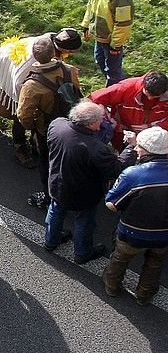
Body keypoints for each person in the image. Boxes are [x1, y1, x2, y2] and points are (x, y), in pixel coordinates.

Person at [0, 28, 83, 169]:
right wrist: (27, 102)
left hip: (46, 100)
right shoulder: (35, 58)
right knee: (21, 118)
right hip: (29, 96)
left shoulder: (50, 48)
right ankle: (20, 145)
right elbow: (19, 83)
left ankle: (35, 141)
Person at [45, 100, 122, 264]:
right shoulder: (96, 147)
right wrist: (130, 149)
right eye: (100, 119)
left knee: (56, 211)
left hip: (56, 183)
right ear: (93, 124)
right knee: (84, 221)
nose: (102, 121)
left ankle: (51, 241)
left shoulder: (57, 125)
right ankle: (82, 253)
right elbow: (115, 169)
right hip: (83, 193)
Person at [103, 126, 168, 305]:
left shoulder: (133, 174)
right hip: (163, 236)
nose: (136, 149)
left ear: (147, 151)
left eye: (138, 146)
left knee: (119, 259)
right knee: (155, 264)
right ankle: (144, 294)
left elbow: (112, 204)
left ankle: (112, 285)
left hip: (132, 233)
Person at [16, 35, 82, 210]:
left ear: (34, 56)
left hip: (47, 130)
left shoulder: (31, 85)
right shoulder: (71, 71)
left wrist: (34, 128)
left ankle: (48, 196)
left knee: (47, 163)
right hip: (72, 124)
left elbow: (23, 116)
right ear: (54, 53)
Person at [81, 0, 134, 86]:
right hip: (100, 37)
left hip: (111, 42)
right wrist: (86, 25)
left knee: (113, 70)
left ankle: (115, 89)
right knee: (99, 59)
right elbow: (91, 6)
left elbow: (123, 25)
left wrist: (115, 45)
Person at [89, 72, 168, 150]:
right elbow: (93, 100)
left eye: (156, 96)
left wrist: (152, 127)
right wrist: (114, 124)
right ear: (144, 85)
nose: (150, 98)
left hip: (157, 137)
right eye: (147, 94)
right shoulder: (126, 88)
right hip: (122, 134)